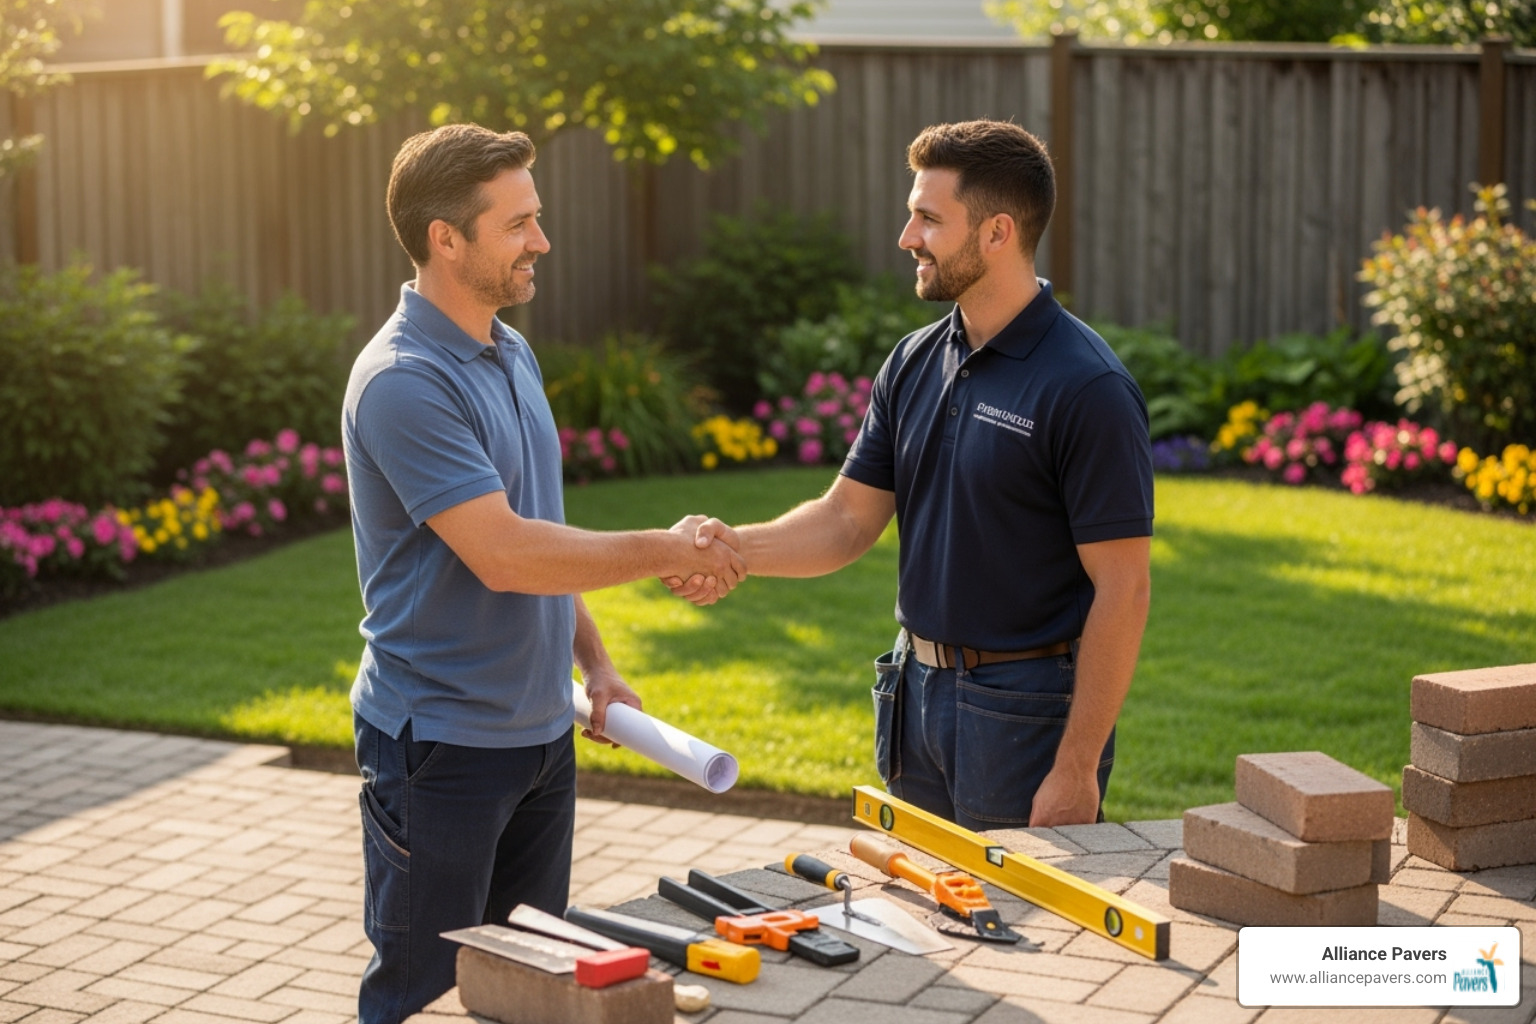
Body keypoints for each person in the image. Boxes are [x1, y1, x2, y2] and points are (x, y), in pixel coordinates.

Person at [343, 123, 743, 1024]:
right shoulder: (403, 381)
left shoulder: (509, 351)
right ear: (446, 238)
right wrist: (668, 549)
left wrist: (595, 664)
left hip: (537, 739)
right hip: (440, 749)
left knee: (525, 988)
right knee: (420, 994)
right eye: (518, 223)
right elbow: (506, 554)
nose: (543, 240)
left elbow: (540, 533)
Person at [669, 119, 1153, 830]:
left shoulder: (1087, 387)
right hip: (913, 691)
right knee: (920, 893)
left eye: (928, 218)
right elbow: (846, 521)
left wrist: (1076, 767)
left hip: (1022, 711)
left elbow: (1124, 588)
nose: (907, 238)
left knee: (1010, 901)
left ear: (997, 232)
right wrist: (728, 547)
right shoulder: (914, 360)